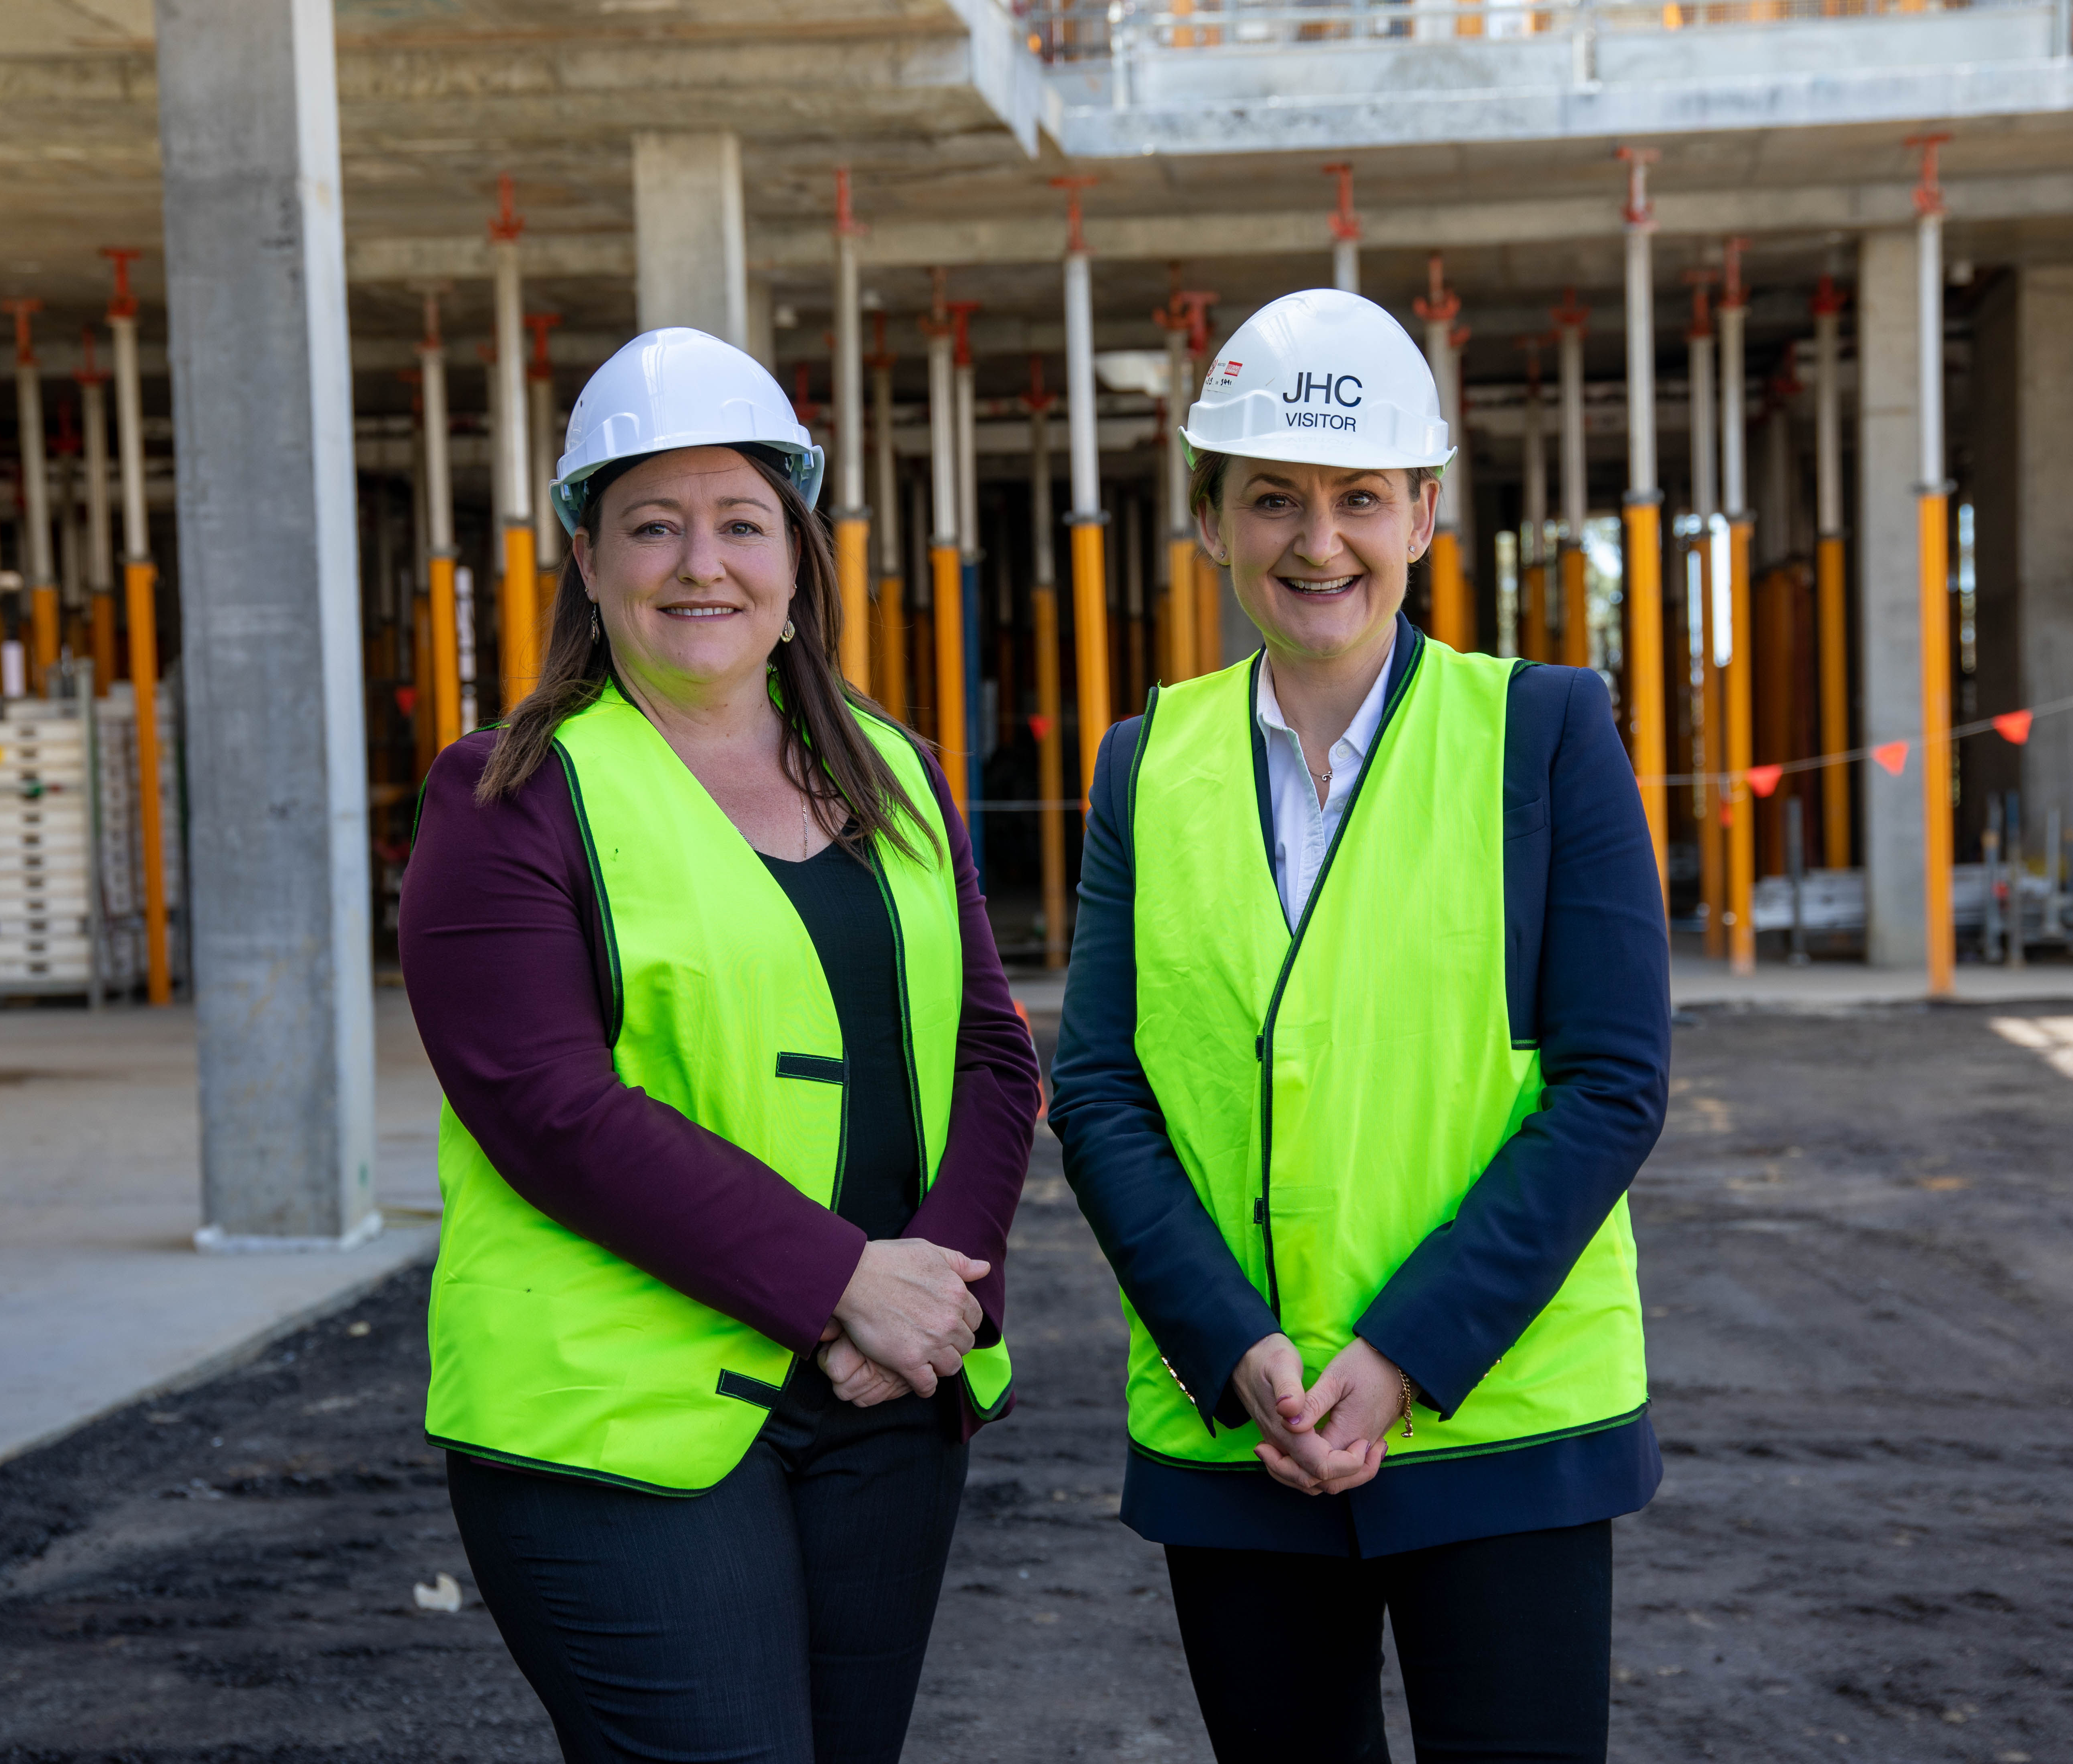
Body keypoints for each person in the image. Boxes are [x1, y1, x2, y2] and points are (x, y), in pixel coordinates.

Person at [401, 328, 1040, 1764]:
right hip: (621, 1418)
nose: (703, 563)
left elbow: (991, 1051)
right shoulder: (510, 793)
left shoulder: (895, 769)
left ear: (798, 555)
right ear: (586, 555)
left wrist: (939, 1290)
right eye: (654, 525)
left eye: (741, 522)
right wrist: (842, 1282)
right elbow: (547, 1106)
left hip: (887, 1400)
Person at [1048, 289, 1671, 1763]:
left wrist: (1400, 1353)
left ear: (1423, 514)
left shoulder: (1543, 731)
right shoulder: (1145, 765)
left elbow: (1610, 1085)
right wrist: (1234, 1346)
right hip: (1237, 1421)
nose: (1316, 541)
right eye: (1271, 498)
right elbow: (1101, 1091)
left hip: (1497, 1422)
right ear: (1209, 518)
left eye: (1357, 500)